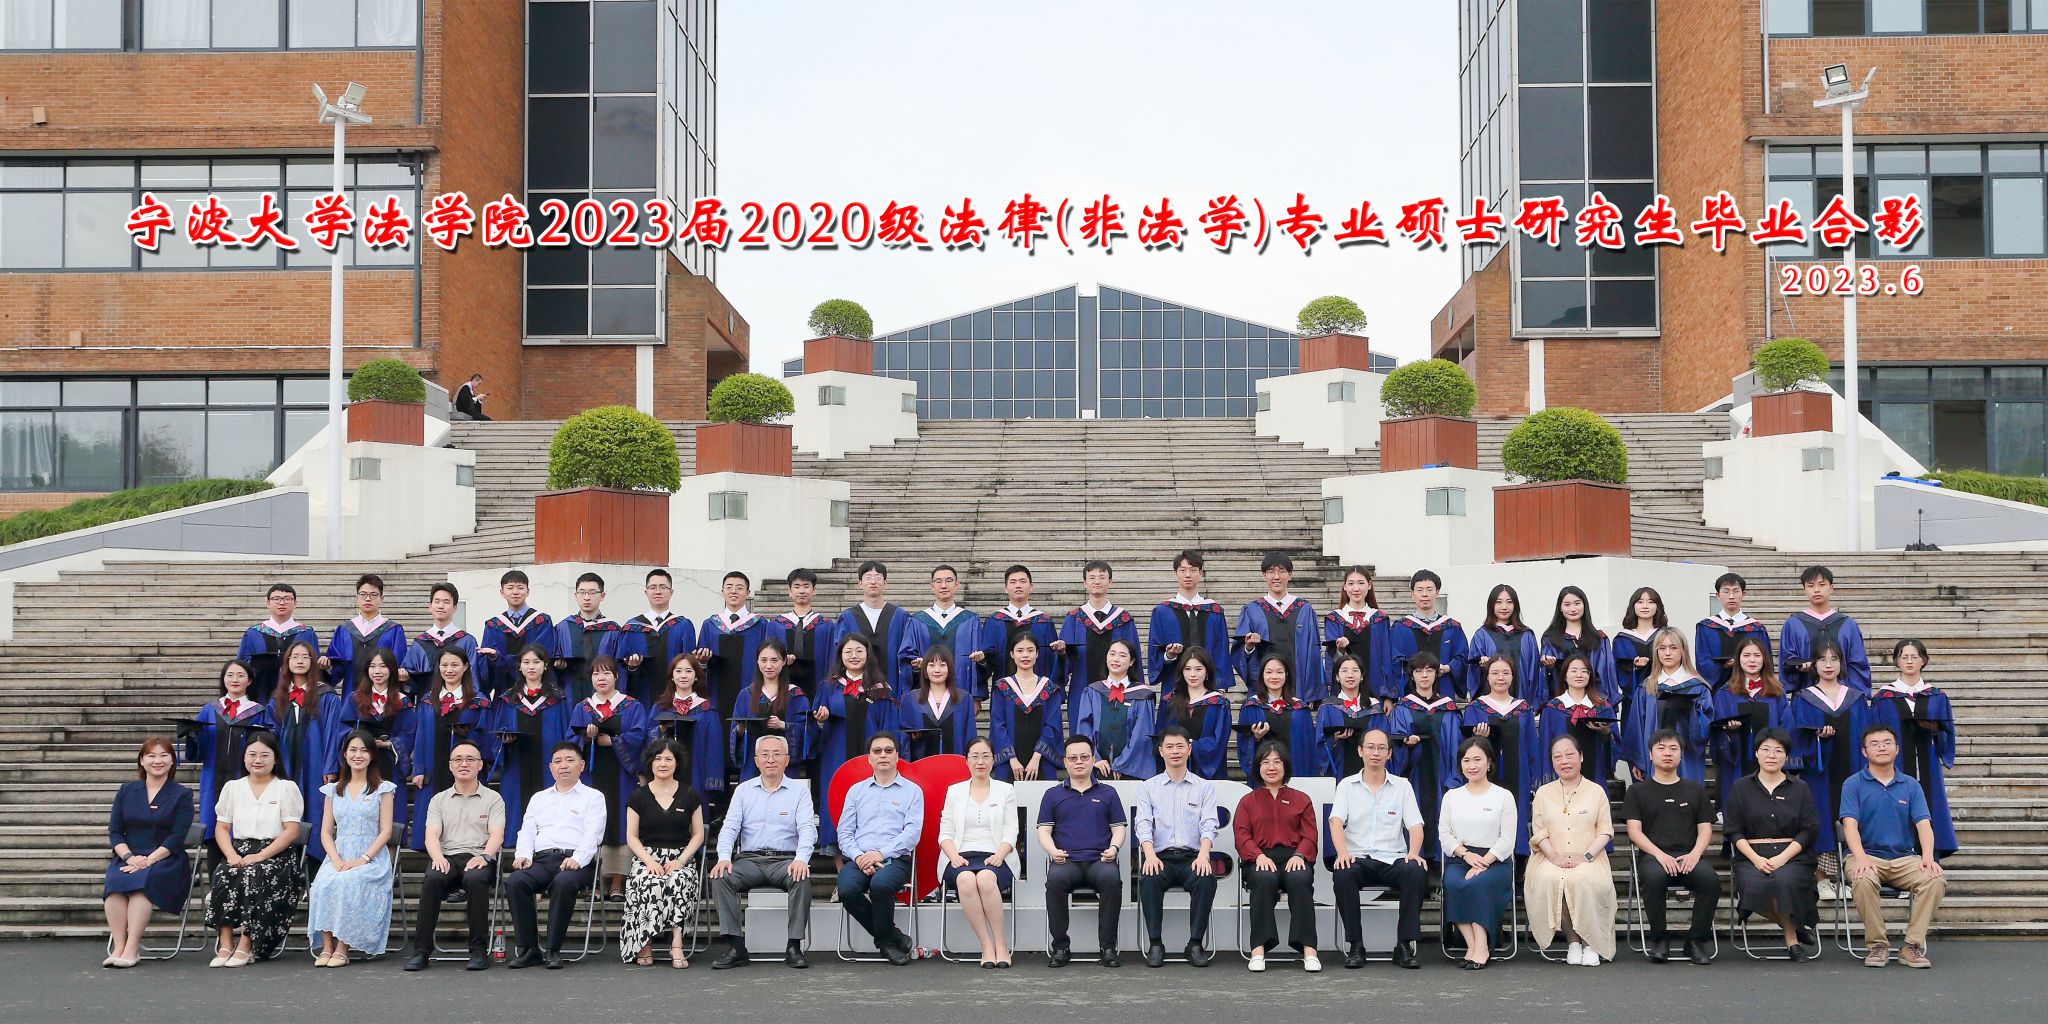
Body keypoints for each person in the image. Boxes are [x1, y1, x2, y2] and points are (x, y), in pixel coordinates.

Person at [1840, 724, 1947, 968]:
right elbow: (1849, 825)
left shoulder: (1910, 785)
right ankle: (1878, 945)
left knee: (1934, 878)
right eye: (1874, 744)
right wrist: (1861, 858)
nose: (1881, 747)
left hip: (1904, 858)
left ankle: (1912, 946)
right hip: (1866, 855)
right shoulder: (1853, 784)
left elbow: (1924, 825)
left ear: (1897, 749)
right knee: (1863, 878)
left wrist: (1928, 857)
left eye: (1887, 743)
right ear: (1864, 752)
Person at [709, 735, 816, 970]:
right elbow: (730, 827)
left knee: (801, 878)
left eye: (777, 754)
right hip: (750, 861)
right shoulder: (743, 791)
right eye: (765, 755)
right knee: (721, 876)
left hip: (785, 861)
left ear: (786, 759)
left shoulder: (799, 792)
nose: (770, 759)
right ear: (756, 760)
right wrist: (724, 857)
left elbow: (808, 829)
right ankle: (736, 946)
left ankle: (794, 946)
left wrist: (801, 859)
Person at [1328, 728, 1428, 969]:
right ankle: (1356, 945)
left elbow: (1416, 825)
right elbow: (1336, 821)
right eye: (1370, 747)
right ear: (1360, 751)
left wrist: (1413, 853)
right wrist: (1342, 853)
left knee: (1415, 871)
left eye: (1381, 748)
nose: (1375, 752)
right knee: (1343, 873)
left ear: (1389, 753)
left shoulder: (1402, 786)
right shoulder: (1346, 786)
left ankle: (1404, 945)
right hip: (1358, 858)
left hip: (1393, 859)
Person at [204, 731, 304, 967]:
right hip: (238, 851)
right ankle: (225, 944)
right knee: (224, 872)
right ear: (244, 758)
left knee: (256, 873)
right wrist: (231, 855)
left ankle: (246, 945)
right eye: (252, 755)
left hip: (276, 855)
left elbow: (291, 830)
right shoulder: (233, 787)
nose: (258, 760)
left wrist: (260, 856)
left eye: (264, 755)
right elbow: (221, 828)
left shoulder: (286, 788)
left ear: (275, 758)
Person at [1620, 729, 1720, 964]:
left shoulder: (1695, 790)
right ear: (1650, 754)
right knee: (1654, 879)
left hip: (1689, 856)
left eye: (1673, 749)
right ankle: (1660, 939)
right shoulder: (1637, 791)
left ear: (1681, 755)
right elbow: (1634, 832)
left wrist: (1695, 854)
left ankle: (1694, 941)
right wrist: (1660, 855)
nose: (1667, 753)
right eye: (1661, 748)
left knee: (1711, 882)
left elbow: (1706, 829)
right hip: (1654, 857)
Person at [505, 740, 607, 970]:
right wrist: (523, 854)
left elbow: (593, 834)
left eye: (570, 760)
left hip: (578, 861)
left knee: (564, 882)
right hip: (541, 860)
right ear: (551, 767)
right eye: (558, 761)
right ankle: (529, 949)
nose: (564, 765)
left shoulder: (593, 797)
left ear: (582, 765)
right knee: (516, 881)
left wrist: (577, 859)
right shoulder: (539, 798)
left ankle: (553, 949)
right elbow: (527, 831)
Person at [405, 739, 504, 971]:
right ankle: (421, 951)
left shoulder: (493, 798)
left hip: (479, 857)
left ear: (480, 765)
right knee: (432, 879)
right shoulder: (438, 800)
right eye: (458, 759)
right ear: (450, 766)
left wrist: (485, 856)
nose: (464, 764)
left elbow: (497, 834)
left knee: (476, 880)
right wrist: (437, 857)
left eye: (470, 759)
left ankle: (478, 950)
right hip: (447, 857)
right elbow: (431, 834)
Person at [1724, 729, 1820, 960]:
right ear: (1756, 753)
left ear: (1786, 756)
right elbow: (1733, 830)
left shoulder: (1800, 788)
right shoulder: (1740, 787)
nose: (1771, 755)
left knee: (1783, 880)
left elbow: (1809, 829)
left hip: (1792, 855)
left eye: (1778, 751)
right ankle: (1794, 928)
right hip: (1752, 855)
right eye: (1765, 750)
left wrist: (1782, 858)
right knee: (1755, 884)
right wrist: (1756, 859)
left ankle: (1791, 939)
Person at [102, 737, 195, 968]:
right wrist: (129, 857)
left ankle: (132, 948)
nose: (157, 761)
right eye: (151, 756)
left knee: (142, 885)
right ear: (142, 761)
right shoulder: (126, 791)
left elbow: (177, 836)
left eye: (164, 755)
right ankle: (119, 946)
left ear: (172, 761)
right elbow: (115, 832)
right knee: (114, 884)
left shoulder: (182, 794)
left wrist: (149, 860)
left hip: (166, 858)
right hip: (129, 856)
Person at [307, 730, 398, 965]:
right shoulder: (333, 790)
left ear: (372, 755)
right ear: (345, 754)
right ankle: (327, 946)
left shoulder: (383, 789)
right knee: (322, 883)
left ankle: (343, 946)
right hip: (339, 854)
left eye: (364, 750)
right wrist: (336, 860)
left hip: (371, 857)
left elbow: (386, 831)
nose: (358, 755)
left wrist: (363, 859)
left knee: (350, 882)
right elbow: (326, 832)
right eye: (353, 750)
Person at [1037, 735, 1129, 967]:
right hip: (1066, 860)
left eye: (1084, 757)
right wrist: (1053, 851)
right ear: (1065, 762)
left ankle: (1108, 948)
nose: (1079, 762)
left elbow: (1119, 828)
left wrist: (1114, 848)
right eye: (1073, 758)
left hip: (1100, 860)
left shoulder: (1108, 792)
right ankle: (1060, 947)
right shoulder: (1052, 795)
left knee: (1112, 880)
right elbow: (1043, 831)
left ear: (1093, 760)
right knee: (1054, 882)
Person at [835, 733, 926, 965]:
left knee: (881, 885)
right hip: (859, 858)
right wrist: (859, 857)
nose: (883, 755)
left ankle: (886, 942)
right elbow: (844, 833)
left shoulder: (912, 791)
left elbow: (912, 834)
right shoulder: (856, 791)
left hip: (895, 859)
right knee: (846, 889)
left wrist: (881, 854)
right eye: (877, 751)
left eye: (888, 750)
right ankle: (890, 938)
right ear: (869, 758)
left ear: (897, 756)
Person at [1790, 640, 1871, 899]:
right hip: (1818, 772)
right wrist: (1817, 740)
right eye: (1822, 659)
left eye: (1834, 659)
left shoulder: (1856, 698)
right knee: (1821, 818)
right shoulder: (1803, 698)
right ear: (1813, 665)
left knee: (1852, 816)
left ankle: (1848, 875)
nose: (1828, 664)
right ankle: (1822, 878)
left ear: (1842, 664)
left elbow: (1866, 736)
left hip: (1852, 768)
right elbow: (1796, 737)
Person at [1526, 735, 1617, 966]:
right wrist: (1554, 857)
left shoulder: (1596, 791)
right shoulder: (1543, 793)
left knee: (1582, 878)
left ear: (1581, 757)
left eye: (1570, 755)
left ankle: (1591, 944)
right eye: (1558, 757)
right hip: (1550, 857)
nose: (1564, 761)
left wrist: (1585, 856)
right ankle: (1573, 942)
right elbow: (1539, 832)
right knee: (1552, 878)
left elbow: (1605, 831)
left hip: (1589, 856)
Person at [1134, 726, 1219, 967]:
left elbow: (1209, 824)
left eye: (1180, 746)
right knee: (1149, 879)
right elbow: (1142, 824)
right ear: (1161, 751)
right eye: (1169, 747)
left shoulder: (1204, 787)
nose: (1175, 751)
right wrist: (1149, 855)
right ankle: (1155, 943)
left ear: (1189, 749)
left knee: (1206, 879)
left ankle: (1195, 944)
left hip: (1192, 856)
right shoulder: (1148, 787)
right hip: (1159, 857)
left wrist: (1204, 856)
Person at [1866, 639, 1957, 860]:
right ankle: (1897, 857)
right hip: (1895, 764)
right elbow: (1873, 733)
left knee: (1928, 804)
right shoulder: (1883, 697)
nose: (1909, 661)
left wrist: (1937, 730)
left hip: (1928, 765)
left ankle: (1929, 857)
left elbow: (1947, 733)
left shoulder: (1936, 696)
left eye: (1914, 657)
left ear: (1923, 660)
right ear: (1896, 661)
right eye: (1904, 657)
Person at [619, 739, 706, 968]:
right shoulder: (638, 796)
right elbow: (631, 836)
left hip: (681, 857)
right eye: (658, 758)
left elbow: (698, 834)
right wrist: (649, 862)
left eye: (668, 759)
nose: (663, 763)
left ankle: (676, 944)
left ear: (677, 763)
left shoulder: (690, 795)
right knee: (647, 881)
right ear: (650, 763)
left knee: (679, 880)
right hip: (647, 857)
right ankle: (644, 942)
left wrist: (681, 860)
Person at [1235, 740, 1320, 972]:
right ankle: (1258, 951)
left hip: (1294, 857)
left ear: (1286, 766)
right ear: (1258, 767)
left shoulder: (1301, 799)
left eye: (1277, 762)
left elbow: (1310, 834)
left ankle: (1309, 950)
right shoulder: (1247, 802)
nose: (1271, 767)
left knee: (1300, 878)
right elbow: (1242, 835)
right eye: (1266, 762)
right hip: (1260, 859)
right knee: (1264, 879)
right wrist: (1258, 856)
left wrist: (1300, 855)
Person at [569, 656, 649, 901]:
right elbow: (570, 738)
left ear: (616, 676)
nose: (600, 678)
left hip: (621, 775)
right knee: (592, 823)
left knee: (620, 823)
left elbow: (640, 736)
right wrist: (586, 737)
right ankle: (595, 881)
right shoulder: (583, 708)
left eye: (606, 673)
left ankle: (617, 881)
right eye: (595, 674)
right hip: (591, 775)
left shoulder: (632, 706)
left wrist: (611, 741)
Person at [811, 634, 897, 854]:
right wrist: (820, 721)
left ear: (868, 654)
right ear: (840, 655)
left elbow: (889, 727)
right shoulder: (828, 687)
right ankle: (839, 868)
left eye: (859, 650)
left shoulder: (881, 690)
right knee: (838, 801)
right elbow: (814, 730)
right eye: (848, 651)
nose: (854, 656)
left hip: (871, 760)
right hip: (836, 756)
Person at [186, 661, 278, 860]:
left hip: (243, 777)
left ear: (249, 681)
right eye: (230, 675)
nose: (235, 679)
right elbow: (199, 748)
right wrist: (191, 735)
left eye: (240, 675)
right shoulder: (210, 710)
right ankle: (216, 877)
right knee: (213, 827)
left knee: (242, 827)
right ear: (223, 679)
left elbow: (270, 742)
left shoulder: (258, 711)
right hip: (213, 777)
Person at [938, 737, 1017, 968]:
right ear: (966, 761)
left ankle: (1001, 944)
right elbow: (945, 832)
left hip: (997, 855)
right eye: (975, 756)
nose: (980, 761)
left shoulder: (1006, 790)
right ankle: (986, 946)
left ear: (993, 760)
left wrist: (999, 855)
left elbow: (1011, 830)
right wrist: (954, 856)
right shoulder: (954, 791)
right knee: (965, 880)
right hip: (959, 856)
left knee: (985, 878)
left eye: (985, 756)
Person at [1439, 736, 1516, 970]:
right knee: (1454, 883)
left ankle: (1482, 945)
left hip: (1495, 861)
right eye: (1466, 760)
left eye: (1477, 760)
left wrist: (1484, 862)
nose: (1472, 765)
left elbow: (1507, 839)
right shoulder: (1452, 796)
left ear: (1489, 762)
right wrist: (1465, 855)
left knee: (1477, 883)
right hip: (1461, 858)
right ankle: (1472, 945)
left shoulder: (1503, 796)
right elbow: (1445, 834)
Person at [483, 645, 568, 843]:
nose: (531, 667)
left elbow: (566, 733)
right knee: (516, 803)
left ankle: (549, 843)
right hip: (516, 762)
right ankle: (516, 843)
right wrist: (504, 741)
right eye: (526, 662)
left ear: (545, 666)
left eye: (536, 662)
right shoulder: (508, 699)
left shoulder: (557, 698)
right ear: (519, 667)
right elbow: (496, 735)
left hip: (548, 763)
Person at [271, 639, 344, 860]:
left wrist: (330, 766)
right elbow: (271, 732)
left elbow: (333, 732)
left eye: (305, 657)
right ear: (287, 662)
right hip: (286, 763)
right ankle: (286, 861)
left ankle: (314, 864)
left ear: (313, 662)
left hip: (315, 763)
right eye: (295, 657)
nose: (300, 661)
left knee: (315, 810)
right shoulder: (278, 697)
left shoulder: (326, 695)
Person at [1461, 655, 1538, 856]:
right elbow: (1466, 748)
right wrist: (1477, 738)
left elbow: (1532, 746)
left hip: (1518, 775)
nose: (1500, 678)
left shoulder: (1523, 709)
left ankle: (1518, 863)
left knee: (1517, 817)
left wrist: (1534, 780)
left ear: (1513, 677)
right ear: (1487, 677)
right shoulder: (1476, 708)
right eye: (1495, 673)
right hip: (1486, 775)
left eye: (1505, 673)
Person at [1389, 651, 1460, 858]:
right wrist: (1406, 744)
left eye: (1429, 670)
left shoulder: (1448, 708)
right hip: (1415, 775)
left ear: (1437, 674)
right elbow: (1395, 746)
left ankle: (1439, 863)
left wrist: (1453, 777)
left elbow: (1456, 745)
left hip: (1442, 774)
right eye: (1419, 671)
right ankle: (1415, 860)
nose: (1424, 675)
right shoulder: (1403, 707)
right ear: (1412, 675)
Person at [1055, 560, 1140, 731]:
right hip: (1081, 690)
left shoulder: (1123, 619)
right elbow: (1064, 665)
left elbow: (1134, 658)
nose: (1097, 581)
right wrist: (1062, 654)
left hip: (1119, 692)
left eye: (1102, 577)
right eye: (1092, 577)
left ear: (1110, 582)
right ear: (1085, 583)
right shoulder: (1074, 618)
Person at [1711, 634, 1792, 811]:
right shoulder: (1725, 694)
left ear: (1765, 659)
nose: (1752, 660)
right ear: (1738, 660)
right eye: (1746, 655)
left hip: (1770, 762)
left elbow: (1786, 728)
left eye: (1757, 655)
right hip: (1736, 763)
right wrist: (1729, 732)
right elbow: (1717, 731)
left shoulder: (1776, 693)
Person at [1623, 627, 1713, 785]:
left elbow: (1705, 727)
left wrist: (1690, 712)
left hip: (1687, 758)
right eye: (1662, 648)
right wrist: (1638, 760)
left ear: (1683, 651)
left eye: (1673, 648)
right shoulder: (1646, 688)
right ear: (1656, 652)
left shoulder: (1697, 687)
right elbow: (1637, 727)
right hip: (1653, 760)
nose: (1667, 653)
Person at [694, 572, 788, 717]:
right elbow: (699, 665)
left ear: (748, 593)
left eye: (739, 588)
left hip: (751, 689)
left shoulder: (760, 624)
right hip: (717, 690)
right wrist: (702, 661)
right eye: (729, 587)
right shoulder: (710, 625)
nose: (733, 591)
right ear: (722, 591)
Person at [1235, 552, 1324, 702]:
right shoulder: (1252, 610)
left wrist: (1311, 695)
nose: (1276, 576)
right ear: (1264, 575)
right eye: (1271, 571)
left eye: (1282, 571)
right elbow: (1239, 654)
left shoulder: (1304, 609)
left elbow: (1313, 652)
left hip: (1298, 690)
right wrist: (1248, 647)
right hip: (1265, 690)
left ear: (1290, 575)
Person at [1072, 638, 1160, 779]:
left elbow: (1142, 734)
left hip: (1131, 769)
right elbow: (1084, 728)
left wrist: (1121, 764)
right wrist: (1094, 758)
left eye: (1122, 655)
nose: (1116, 659)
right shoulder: (1092, 692)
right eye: (1112, 654)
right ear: (1106, 658)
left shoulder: (1143, 695)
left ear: (1132, 661)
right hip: (1096, 768)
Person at [1149, 549, 1232, 696]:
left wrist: (1220, 687)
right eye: (1183, 570)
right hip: (1174, 686)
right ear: (1175, 573)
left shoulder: (1214, 611)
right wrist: (1169, 655)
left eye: (1193, 570)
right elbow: (1154, 651)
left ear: (1201, 573)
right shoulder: (1162, 611)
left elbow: (1221, 651)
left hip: (1209, 687)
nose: (1188, 575)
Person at [1779, 565, 1871, 694]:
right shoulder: (1793, 624)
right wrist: (1798, 666)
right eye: (1811, 586)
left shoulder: (1848, 625)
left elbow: (1857, 663)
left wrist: (1856, 696)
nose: (1816, 590)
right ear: (1804, 589)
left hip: (1842, 696)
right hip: (1806, 694)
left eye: (1822, 585)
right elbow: (1787, 660)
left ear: (1831, 588)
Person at [651, 655, 725, 815]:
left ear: (696, 676)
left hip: (697, 772)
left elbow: (714, 748)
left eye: (688, 671)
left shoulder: (707, 709)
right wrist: (661, 729)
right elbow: (647, 742)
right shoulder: (660, 707)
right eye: (678, 671)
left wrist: (711, 779)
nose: (683, 675)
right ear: (672, 676)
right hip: (665, 772)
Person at [834, 561, 918, 699]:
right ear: (860, 583)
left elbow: (907, 654)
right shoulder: (848, 617)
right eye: (868, 577)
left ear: (885, 583)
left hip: (892, 684)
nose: (873, 581)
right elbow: (840, 655)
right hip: (856, 690)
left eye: (878, 577)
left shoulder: (900, 616)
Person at [988, 632, 1063, 782]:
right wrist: (1011, 758)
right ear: (1012, 654)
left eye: (1030, 650)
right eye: (1020, 651)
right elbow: (998, 724)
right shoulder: (1002, 688)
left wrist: (1036, 758)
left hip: (1042, 760)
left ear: (1037, 654)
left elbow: (1052, 724)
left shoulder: (1048, 688)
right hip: (1009, 762)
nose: (1025, 655)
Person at [731, 640, 809, 783]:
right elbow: (735, 733)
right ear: (757, 661)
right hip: (753, 765)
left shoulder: (795, 695)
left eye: (774, 660)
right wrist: (741, 729)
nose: (768, 665)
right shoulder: (746, 695)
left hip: (786, 767)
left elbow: (806, 730)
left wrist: (783, 725)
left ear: (784, 661)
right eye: (763, 660)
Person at [1537, 653, 1620, 789]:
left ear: (1590, 676)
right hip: (1560, 781)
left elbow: (1614, 747)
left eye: (1584, 671)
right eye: (1574, 671)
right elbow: (1545, 746)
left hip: (1595, 777)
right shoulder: (1553, 709)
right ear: (1564, 676)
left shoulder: (1602, 708)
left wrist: (1605, 734)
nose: (1579, 675)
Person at [322, 573, 406, 704]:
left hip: (383, 701)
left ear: (382, 598)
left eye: (373, 595)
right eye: (363, 594)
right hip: (351, 698)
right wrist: (326, 667)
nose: (368, 599)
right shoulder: (344, 630)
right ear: (356, 598)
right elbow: (336, 670)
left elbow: (398, 665)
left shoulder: (393, 630)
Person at [1235, 653, 1321, 780]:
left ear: (1287, 674)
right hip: (1264, 775)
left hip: (1295, 772)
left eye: (1279, 672)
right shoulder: (1251, 707)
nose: (1274, 676)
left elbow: (1309, 749)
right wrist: (1256, 738)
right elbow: (1243, 745)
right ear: (1262, 675)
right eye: (1269, 672)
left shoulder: (1300, 709)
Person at [1388, 570, 1470, 703]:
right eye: (1420, 590)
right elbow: (1394, 662)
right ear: (1412, 593)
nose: (1424, 594)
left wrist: (1448, 667)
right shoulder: (1401, 627)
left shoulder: (1451, 627)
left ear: (1437, 592)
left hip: (1444, 691)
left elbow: (1463, 658)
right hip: (1411, 695)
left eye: (1429, 589)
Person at [477, 570, 560, 700]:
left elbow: (544, 653)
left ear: (527, 591)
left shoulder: (542, 621)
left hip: (537, 688)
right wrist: (492, 658)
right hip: (504, 688)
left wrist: (501, 658)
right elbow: (487, 666)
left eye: (520, 588)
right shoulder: (493, 625)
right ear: (502, 592)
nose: (515, 592)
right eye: (510, 588)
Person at [979, 564, 1062, 691]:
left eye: (1022, 581)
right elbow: (987, 662)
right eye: (1013, 582)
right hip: (1004, 692)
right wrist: (981, 662)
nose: (1018, 585)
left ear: (1031, 587)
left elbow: (1051, 661)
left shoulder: (1044, 622)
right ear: (1006, 588)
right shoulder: (994, 622)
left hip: (1038, 692)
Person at [907, 564, 985, 699]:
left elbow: (979, 660)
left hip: (961, 692)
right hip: (925, 694)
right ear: (932, 586)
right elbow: (906, 659)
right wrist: (915, 667)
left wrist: (975, 697)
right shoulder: (917, 620)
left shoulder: (970, 620)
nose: (943, 585)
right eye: (938, 581)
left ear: (957, 584)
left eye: (949, 580)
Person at [621, 569, 698, 706]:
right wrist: (632, 668)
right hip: (641, 697)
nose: (658, 591)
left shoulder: (683, 625)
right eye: (653, 587)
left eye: (663, 587)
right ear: (646, 592)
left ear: (671, 592)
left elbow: (691, 664)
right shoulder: (631, 628)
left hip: (675, 700)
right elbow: (620, 669)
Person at [1323, 565, 1396, 706]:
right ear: (1344, 587)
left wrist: (1388, 696)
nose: (1356, 588)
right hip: (1344, 691)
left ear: (1369, 585)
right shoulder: (1335, 619)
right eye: (1351, 583)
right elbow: (1332, 659)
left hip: (1375, 689)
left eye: (1361, 583)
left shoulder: (1380, 619)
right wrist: (1341, 649)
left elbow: (1386, 658)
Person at [237, 583, 318, 704]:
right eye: (276, 599)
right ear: (268, 603)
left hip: (299, 697)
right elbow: (242, 665)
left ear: (295, 603)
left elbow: (314, 665)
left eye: (287, 599)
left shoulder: (306, 633)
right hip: (260, 695)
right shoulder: (253, 633)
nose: (282, 603)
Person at [1539, 586, 1619, 705]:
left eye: (1577, 603)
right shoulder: (1551, 638)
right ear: (1560, 608)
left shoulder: (1598, 638)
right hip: (1562, 702)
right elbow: (1545, 678)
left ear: (1584, 605)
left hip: (1593, 701)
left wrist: (1603, 701)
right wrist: (1550, 666)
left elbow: (1606, 672)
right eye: (1567, 604)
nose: (1573, 609)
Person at [1162, 648, 1232, 779]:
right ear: (1181, 671)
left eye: (1198, 669)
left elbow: (1219, 741)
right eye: (1187, 669)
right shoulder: (1169, 701)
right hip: (1174, 770)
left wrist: (1189, 746)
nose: (1192, 674)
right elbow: (1161, 735)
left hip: (1206, 773)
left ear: (1207, 672)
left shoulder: (1219, 704)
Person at [1695, 572, 1771, 692]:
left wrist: (1744, 663)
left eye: (1736, 591)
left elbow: (1765, 661)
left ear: (1743, 594)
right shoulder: (1706, 627)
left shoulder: (1756, 628)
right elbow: (1702, 661)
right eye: (1726, 591)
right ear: (1718, 595)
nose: (1731, 596)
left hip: (1750, 691)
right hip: (1716, 691)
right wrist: (1723, 666)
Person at [554, 572, 623, 703]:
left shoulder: (613, 630)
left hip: (604, 698)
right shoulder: (563, 628)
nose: (586, 597)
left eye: (592, 592)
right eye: (582, 592)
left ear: (602, 595)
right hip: (569, 694)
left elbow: (619, 668)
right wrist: (558, 665)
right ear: (576, 596)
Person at [402, 582, 478, 699]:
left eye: (446, 602)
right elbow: (410, 683)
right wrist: (405, 678)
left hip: (460, 704)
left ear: (455, 608)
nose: (441, 606)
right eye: (437, 601)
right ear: (430, 606)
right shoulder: (420, 643)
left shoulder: (467, 641)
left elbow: (474, 676)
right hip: (427, 704)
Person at [1468, 583, 1541, 704]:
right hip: (1490, 704)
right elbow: (1473, 671)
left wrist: (1532, 704)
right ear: (1491, 605)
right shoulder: (1482, 635)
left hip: (1521, 702)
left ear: (1515, 605)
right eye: (1498, 602)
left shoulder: (1527, 635)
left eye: (1509, 602)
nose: (1504, 607)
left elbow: (1534, 672)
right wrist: (1482, 665)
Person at [899, 645, 977, 759]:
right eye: (931, 665)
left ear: (950, 668)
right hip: (920, 765)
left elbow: (970, 736)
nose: (937, 670)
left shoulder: (964, 699)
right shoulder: (911, 699)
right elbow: (904, 739)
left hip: (956, 764)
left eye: (942, 665)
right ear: (925, 669)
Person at [1318, 655, 1386, 779]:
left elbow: (1384, 739)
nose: (1350, 675)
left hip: (1371, 769)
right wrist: (1334, 739)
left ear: (1362, 676)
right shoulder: (1328, 707)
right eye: (1344, 671)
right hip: (1340, 768)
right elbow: (1319, 742)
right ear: (1337, 677)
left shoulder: (1374, 707)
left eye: (1355, 670)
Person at [775, 567, 835, 698]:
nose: (801, 591)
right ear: (789, 591)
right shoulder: (777, 624)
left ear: (814, 590)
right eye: (797, 586)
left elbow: (832, 659)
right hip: (783, 684)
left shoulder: (826, 625)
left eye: (806, 586)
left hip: (817, 683)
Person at [1610, 586, 1669, 697]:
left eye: (1650, 602)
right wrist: (1634, 666)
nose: (1645, 606)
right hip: (1634, 699)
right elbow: (1617, 670)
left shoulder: (1666, 636)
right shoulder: (1622, 639)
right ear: (1633, 606)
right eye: (1640, 602)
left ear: (1658, 606)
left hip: (1664, 696)